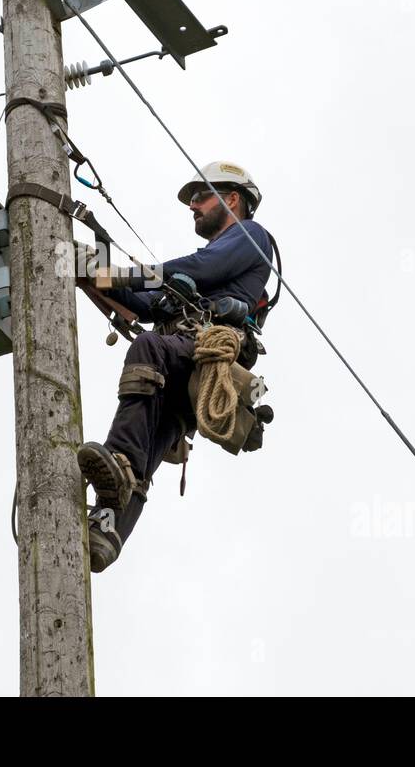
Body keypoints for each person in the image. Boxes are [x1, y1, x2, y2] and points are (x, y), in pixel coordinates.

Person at [78, 161, 273, 572]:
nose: (193, 206)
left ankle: (120, 463)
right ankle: (108, 533)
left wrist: (119, 275)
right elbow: (147, 306)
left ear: (231, 199)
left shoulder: (251, 237)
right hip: (180, 364)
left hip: (202, 351)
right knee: (148, 441)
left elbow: (199, 270)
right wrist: (91, 273)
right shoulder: (217, 253)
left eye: (200, 197)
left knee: (149, 348)